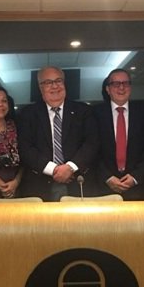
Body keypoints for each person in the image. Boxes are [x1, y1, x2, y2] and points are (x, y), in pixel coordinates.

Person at [17, 66, 99, 201]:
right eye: (48, 82)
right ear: (40, 87)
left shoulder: (83, 111)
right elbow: (25, 147)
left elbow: (91, 143)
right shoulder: (28, 114)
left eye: (58, 81)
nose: (55, 86)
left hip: (79, 182)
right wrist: (54, 169)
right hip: (39, 185)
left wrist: (70, 168)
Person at [93, 68, 144, 200]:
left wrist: (135, 177)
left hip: (138, 186)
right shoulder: (95, 114)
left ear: (130, 87)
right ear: (108, 89)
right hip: (103, 186)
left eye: (125, 83)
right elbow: (92, 149)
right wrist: (107, 177)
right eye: (116, 84)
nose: (121, 87)